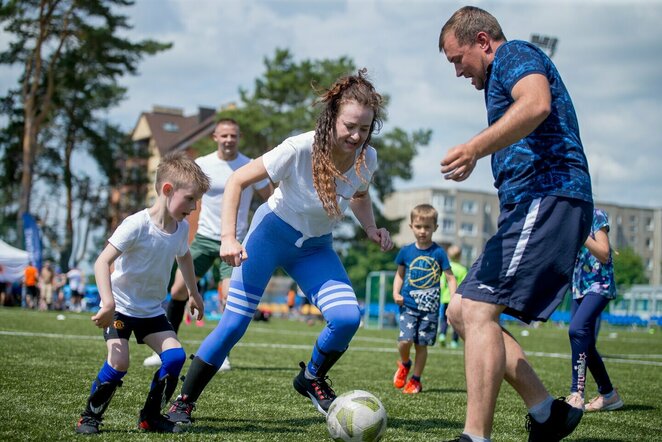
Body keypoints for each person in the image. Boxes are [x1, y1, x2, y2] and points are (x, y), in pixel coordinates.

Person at [166, 69, 393, 427]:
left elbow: (360, 194)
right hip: (270, 236)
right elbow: (238, 180)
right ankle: (184, 400)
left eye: (365, 128)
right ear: (332, 117)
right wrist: (228, 237)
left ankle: (312, 377)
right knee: (234, 324)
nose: (356, 135)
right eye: (350, 125)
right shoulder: (299, 147)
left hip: (315, 248)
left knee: (348, 317)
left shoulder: (368, 158)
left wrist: (370, 227)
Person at [438, 6, 594, 442]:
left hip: (548, 195)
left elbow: (537, 102)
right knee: (461, 311)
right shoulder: (498, 74)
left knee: (481, 309)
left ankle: (475, 437)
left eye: (457, 59)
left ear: (483, 42)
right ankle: (547, 414)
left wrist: (474, 148)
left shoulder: (515, 55)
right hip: (529, 205)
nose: (457, 72)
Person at [74, 152, 210, 434]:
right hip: (121, 308)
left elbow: (184, 257)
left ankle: (151, 417)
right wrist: (108, 302)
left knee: (175, 357)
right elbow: (102, 261)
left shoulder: (180, 227)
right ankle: (90, 416)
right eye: (190, 199)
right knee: (119, 361)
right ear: (167, 190)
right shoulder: (137, 224)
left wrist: (194, 294)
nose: (195, 207)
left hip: (151, 311)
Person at [143, 119, 273, 371]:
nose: (228, 140)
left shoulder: (249, 166)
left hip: (235, 241)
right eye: (224, 135)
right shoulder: (202, 164)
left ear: (239, 137)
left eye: (233, 135)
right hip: (203, 238)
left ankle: (219, 355)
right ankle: (166, 349)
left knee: (228, 297)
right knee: (179, 289)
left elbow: (271, 199)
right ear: (215, 137)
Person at [392, 204, 456, 394]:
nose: (423, 231)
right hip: (408, 306)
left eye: (427, 227)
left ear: (435, 228)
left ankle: (416, 380)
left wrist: (453, 301)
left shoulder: (439, 253)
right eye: (419, 227)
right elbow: (400, 275)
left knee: (422, 345)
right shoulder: (405, 252)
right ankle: (405, 364)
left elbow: (450, 278)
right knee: (405, 340)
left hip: (430, 309)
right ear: (411, 226)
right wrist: (396, 293)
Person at [565, 208, 623, 412]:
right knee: (585, 343)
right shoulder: (567, 220)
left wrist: (581, 234)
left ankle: (576, 393)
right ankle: (608, 394)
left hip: (599, 285)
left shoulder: (594, 215)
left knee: (576, 330)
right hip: (579, 287)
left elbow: (604, 254)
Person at [439, 244, 467, 349]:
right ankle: (454, 341)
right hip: (456, 299)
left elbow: (442, 283)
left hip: (445, 298)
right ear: (460, 256)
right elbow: (464, 284)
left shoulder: (446, 267)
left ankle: (442, 335)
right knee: (456, 320)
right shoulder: (462, 269)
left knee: (444, 318)